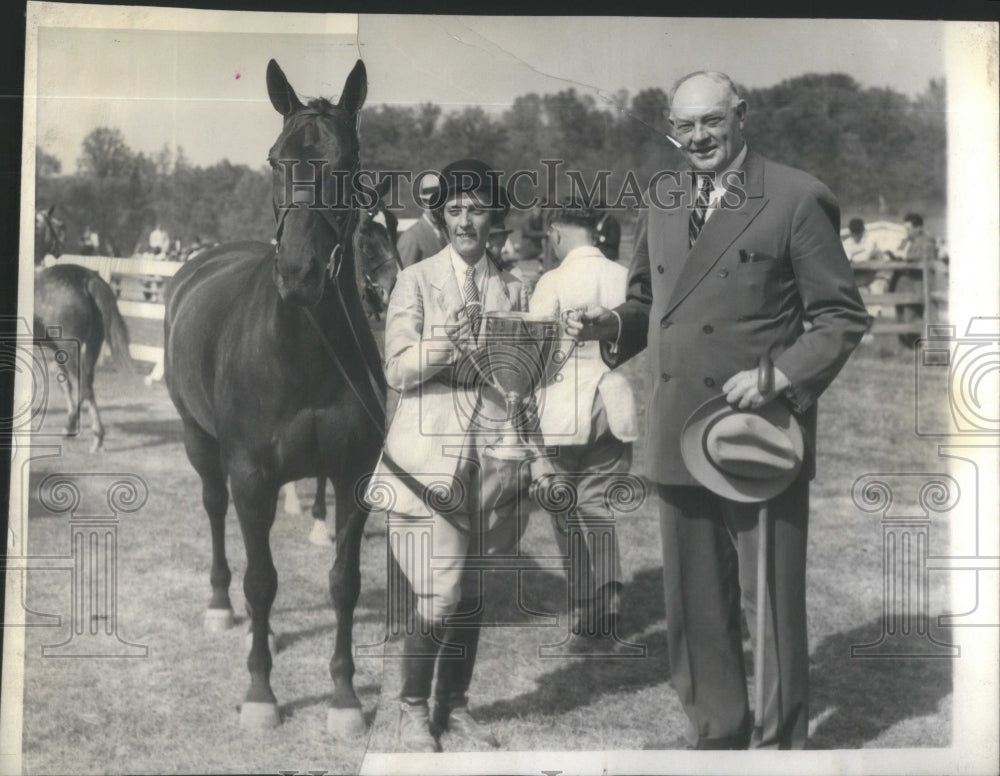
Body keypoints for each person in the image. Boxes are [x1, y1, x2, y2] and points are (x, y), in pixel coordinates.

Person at [566, 70, 870, 749]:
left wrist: (779, 374)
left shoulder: (795, 196)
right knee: (694, 606)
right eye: (685, 125)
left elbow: (840, 317)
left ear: (741, 115)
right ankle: (717, 734)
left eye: (711, 121)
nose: (698, 136)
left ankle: (777, 744)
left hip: (757, 434)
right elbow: (650, 306)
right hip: (678, 429)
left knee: (769, 604)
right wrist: (611, 325)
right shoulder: (664, 195)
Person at [367, 159, 525, 752]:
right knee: (440, 589)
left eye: (476, 208)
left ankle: (454, 707)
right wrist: (445, 342)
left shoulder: (512, 288)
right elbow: (397, 370)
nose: (465, 220)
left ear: (493, 217)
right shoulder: (416, 280)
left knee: (474, 589)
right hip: (426, 456)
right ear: (441, 215)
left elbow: (522, 378)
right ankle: (411, 709)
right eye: (454, 209)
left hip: (491, 455)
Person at [528, 201, 637, 644]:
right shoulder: (625, 275)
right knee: (598, 508)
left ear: (555, 234)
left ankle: (583, 602)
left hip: (563, 408)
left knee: (564, 510)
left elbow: (532, 350)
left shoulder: (552, 280)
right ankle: (608, 599)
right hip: (612, 403)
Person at [397, 171, 449, 268]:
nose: (436, 207)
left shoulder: (446, 232)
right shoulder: (411, 237)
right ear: (422, 203)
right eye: (432, 202)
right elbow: (405, 279)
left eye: (440, 202)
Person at [842, 217, 888, 317]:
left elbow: (864, 257)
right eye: (854, 232)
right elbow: (846, 258)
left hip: (875, 275)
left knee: (874, 301)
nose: (856, 235)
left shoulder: (870, 239)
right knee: (859, 304)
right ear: (851, 232)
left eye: (858, 232)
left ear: (863, 231)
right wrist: (855, 257)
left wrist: (854, 256)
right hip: (858, 277)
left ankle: (873, 321)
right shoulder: (847, 242)